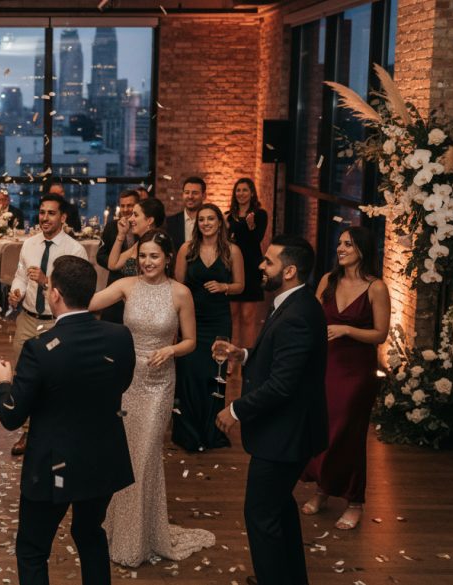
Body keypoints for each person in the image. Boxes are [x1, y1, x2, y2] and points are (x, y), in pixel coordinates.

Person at [0, 256, 135, 585]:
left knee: (32, 549)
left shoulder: (38, 349)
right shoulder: (120, 336)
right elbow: (121, 385)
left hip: (52, 467)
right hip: (103, 460)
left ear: (54, 294)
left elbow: (11, 416)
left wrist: (3, 382)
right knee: (89, 533)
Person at [88, 230, 214, 565]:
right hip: (127, 381)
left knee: (144, 456)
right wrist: (53, 285)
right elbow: (88, 302)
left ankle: (136, 542)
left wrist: (170, 350)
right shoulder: (127, 287)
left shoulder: (181, 293)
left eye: (154, 256)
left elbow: (190, 341)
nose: (147, 262)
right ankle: (124, 528)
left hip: (158, 384)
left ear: (168, 258)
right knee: (127, 455)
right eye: (143, 256)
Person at [214, 234, 328, 585]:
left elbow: (282, 386)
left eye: (268, 261)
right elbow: (281, 360)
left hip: (285, 435)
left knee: (261, 514)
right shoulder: (292, 303)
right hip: (288, 432)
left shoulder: (298, 314)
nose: (261, 266)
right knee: (279, 508)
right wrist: (243, 354)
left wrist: (234, 411)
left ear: (290, 271)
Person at [300, 226, 390, 530]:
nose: (340, 248)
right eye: (339, 243)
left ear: (362, 250)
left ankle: (354, 502)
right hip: (325, 367)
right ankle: (323, 490)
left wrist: (347, 330)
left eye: (348, 244)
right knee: (322, 429)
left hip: (355, 372)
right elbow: (312, 318)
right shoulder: (328, 280)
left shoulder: (376, 288)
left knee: (347, 434)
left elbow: (381, 334)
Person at [7, 194, 89, 456]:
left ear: (63, 217)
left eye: (51, 213)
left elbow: (78, 293)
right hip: (29, 319)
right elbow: (20, 275)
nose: (44, 218)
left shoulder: (75, 250)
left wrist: (45, 281)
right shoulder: (29, 244)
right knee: (24, 377)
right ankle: (27, 431)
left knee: (56, 379)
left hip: (58, 324)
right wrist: (16, 292)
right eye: (41, 212)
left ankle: (56, 430)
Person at [172, 203, 244, 452]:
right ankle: (188, 433)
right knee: (189, 375)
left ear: (219, 222)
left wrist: (224, 287)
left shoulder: (232, 251)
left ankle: (212, 432)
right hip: (191, 318)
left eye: (210, 219)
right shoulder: (186, 249)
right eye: (201, 219)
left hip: (218, 319)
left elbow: (240, 286)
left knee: (215, 374)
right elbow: (178, 285)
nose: (205, 223)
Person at [226, 178, 269, 347]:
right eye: (238, 190)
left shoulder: (260, 214)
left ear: (252, 193)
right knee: (233, 316)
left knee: (248, 317)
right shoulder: (228, 216)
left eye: (245, 190)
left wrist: (251, 226)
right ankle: (231, 358)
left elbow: (257, 239)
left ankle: (246, 360)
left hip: (251, 268)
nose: (241, 194)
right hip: (232, 269)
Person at [95, 190, 140, 324]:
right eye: (123, 206)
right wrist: (122, 265)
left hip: (139, 286)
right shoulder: (112, 226)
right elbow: (100, 255)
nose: (126, 210)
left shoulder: (143, 228)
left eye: (130, 205)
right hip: (116, 282)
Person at [105, 198, 167, 274]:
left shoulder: (156, 244)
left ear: (149, 220)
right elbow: (112, 265)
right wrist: (121, 234)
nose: (130, 219)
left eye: (136, 215)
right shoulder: (140, 242)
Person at [165, 177, 206, 249]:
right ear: (182, 194)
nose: (190, 196)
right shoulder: (170, 222)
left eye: (195, 193)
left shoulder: (209, 222)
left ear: (204, 196)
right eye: (187, 192)